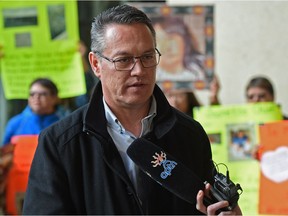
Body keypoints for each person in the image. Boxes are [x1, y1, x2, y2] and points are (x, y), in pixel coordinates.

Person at [22, 5, 242, 215]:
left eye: (147, 57)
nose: (138, 70)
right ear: (96, 64)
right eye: (124, 60)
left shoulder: (189, 134)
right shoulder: (60, 143)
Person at [1, 78, 69, 146]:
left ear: (54, 98)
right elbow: (4, 153)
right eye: (32, 94)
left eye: (43, 94)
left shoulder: (65, 123)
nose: (36, 97)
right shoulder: (15, 123)